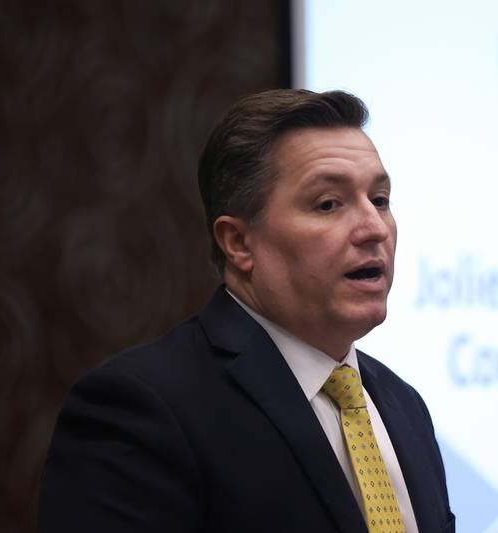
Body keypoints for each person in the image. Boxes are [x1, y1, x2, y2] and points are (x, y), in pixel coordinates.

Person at [39, 89, 454, 532]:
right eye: (328, 204)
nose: (373, 228)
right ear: (238, 243)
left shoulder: (403, 405)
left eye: (380, 200)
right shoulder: (143, 408)